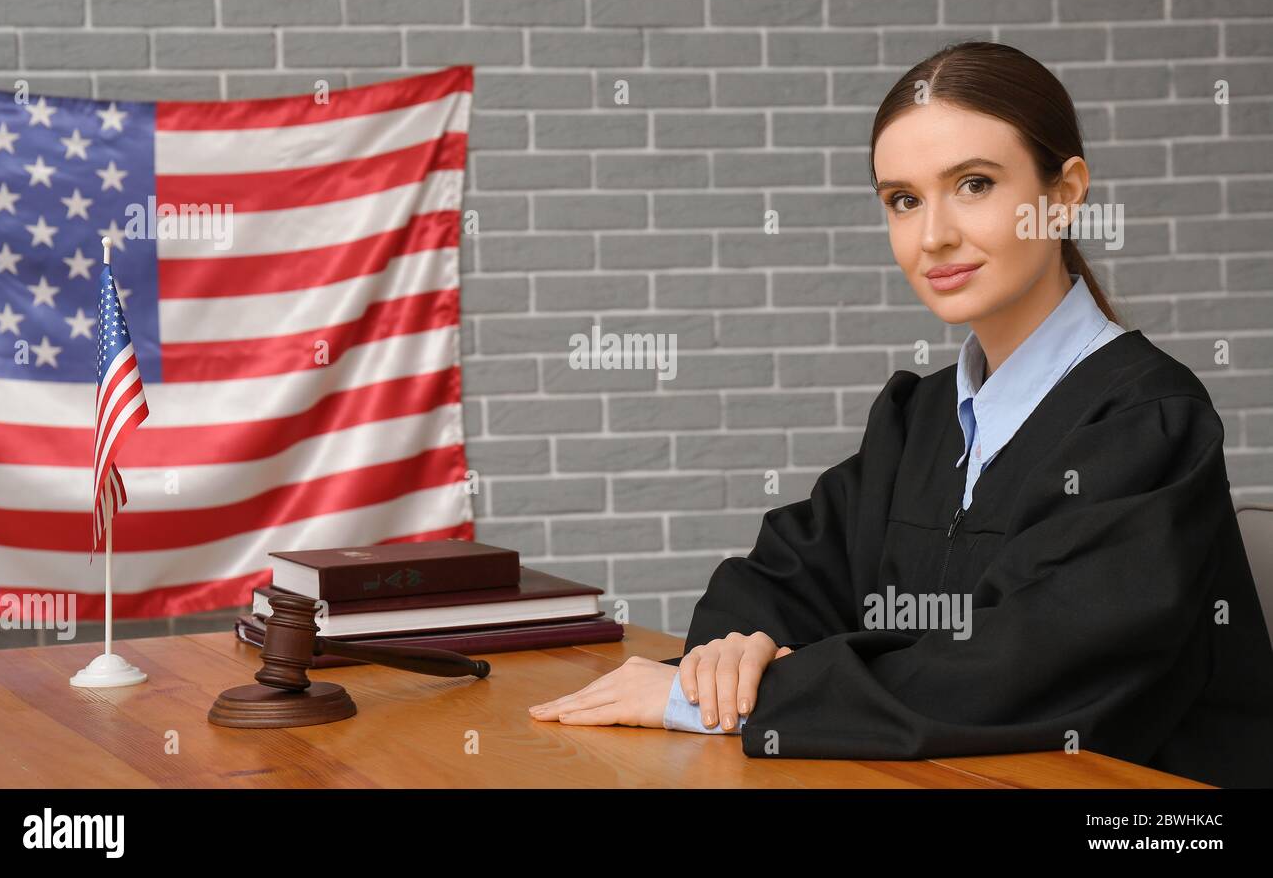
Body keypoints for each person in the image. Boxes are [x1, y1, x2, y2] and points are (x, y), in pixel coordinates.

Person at [528, 41, 1273, 789]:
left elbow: (1025, 669)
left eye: (974, 184)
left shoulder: (1147, 421)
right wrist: (727, 660)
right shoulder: (920, 421)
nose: (934, 235)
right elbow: (783, 576)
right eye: (903, 200)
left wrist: (745, 703)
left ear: (1066, 191)